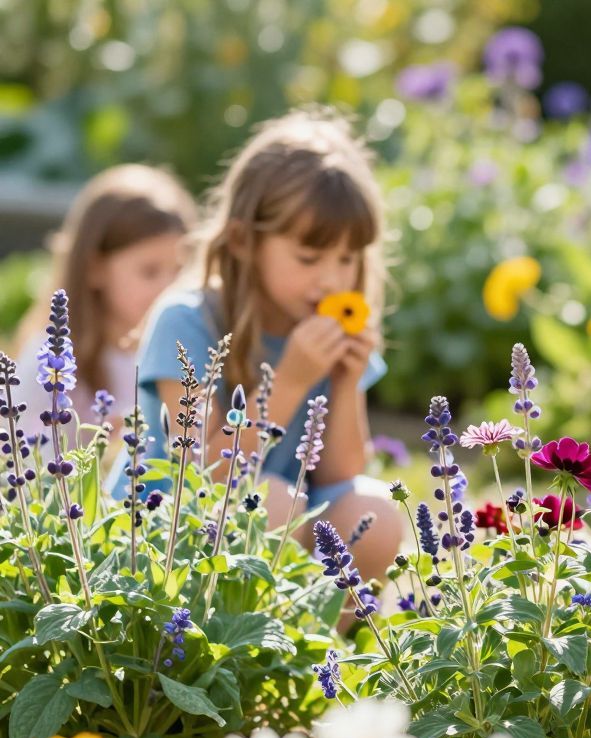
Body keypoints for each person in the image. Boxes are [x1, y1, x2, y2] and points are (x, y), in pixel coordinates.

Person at [120, 108, 403, 587]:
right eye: (309, 257)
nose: (333, 279)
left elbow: (342, 474)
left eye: (348, 259)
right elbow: (203, 474)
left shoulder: (329, 326)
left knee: (376, 515)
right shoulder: (187, 321)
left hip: (280, 520)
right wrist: (289, 381)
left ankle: (314, 654)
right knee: (267, 501)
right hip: (163, 544)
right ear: (243, 242)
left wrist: (347, 379)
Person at [11, 164, 195, 436]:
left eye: (180, 270)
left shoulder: (180, 352)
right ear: (95, 268)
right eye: (149, 271)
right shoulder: (51, 359)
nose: (169, 287)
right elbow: (22, 461)